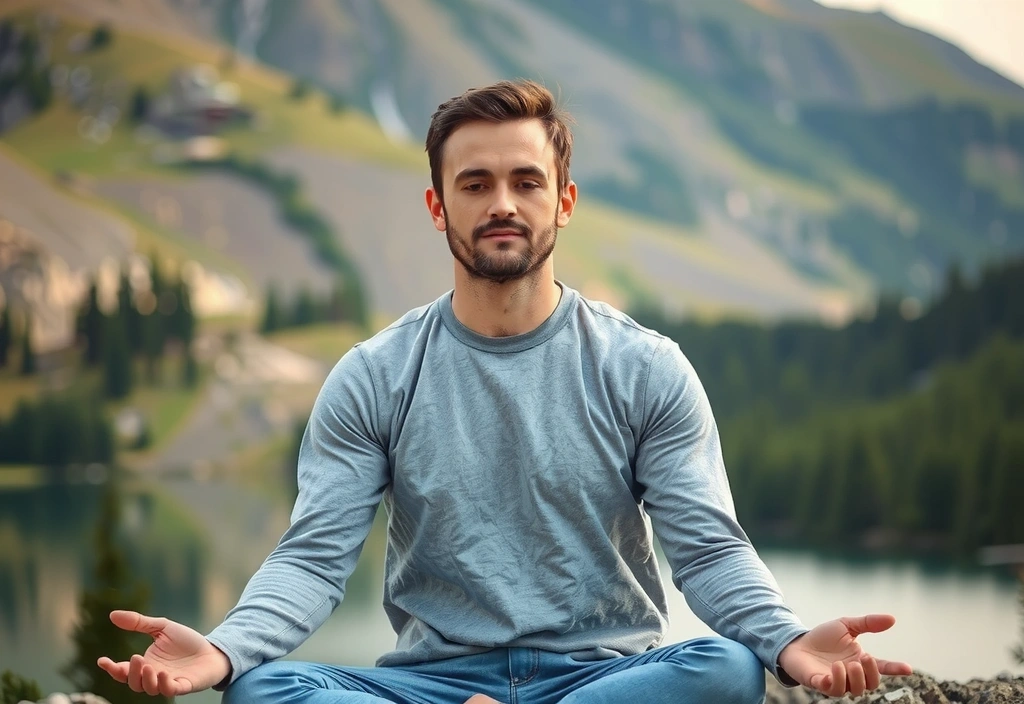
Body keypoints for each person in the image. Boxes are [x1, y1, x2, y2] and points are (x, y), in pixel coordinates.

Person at [98, 79, 912, 704]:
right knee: (263, 690)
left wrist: (787, 640)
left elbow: (708, 547)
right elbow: (314, 559)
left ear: (563, 201)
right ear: (436, 205)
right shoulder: (376, 374)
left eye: (526, 181)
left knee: (725, 669)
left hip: (599, 680)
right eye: (475, 183)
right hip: (436, 683)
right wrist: (227, 647)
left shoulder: (645, 367)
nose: (502, 205)